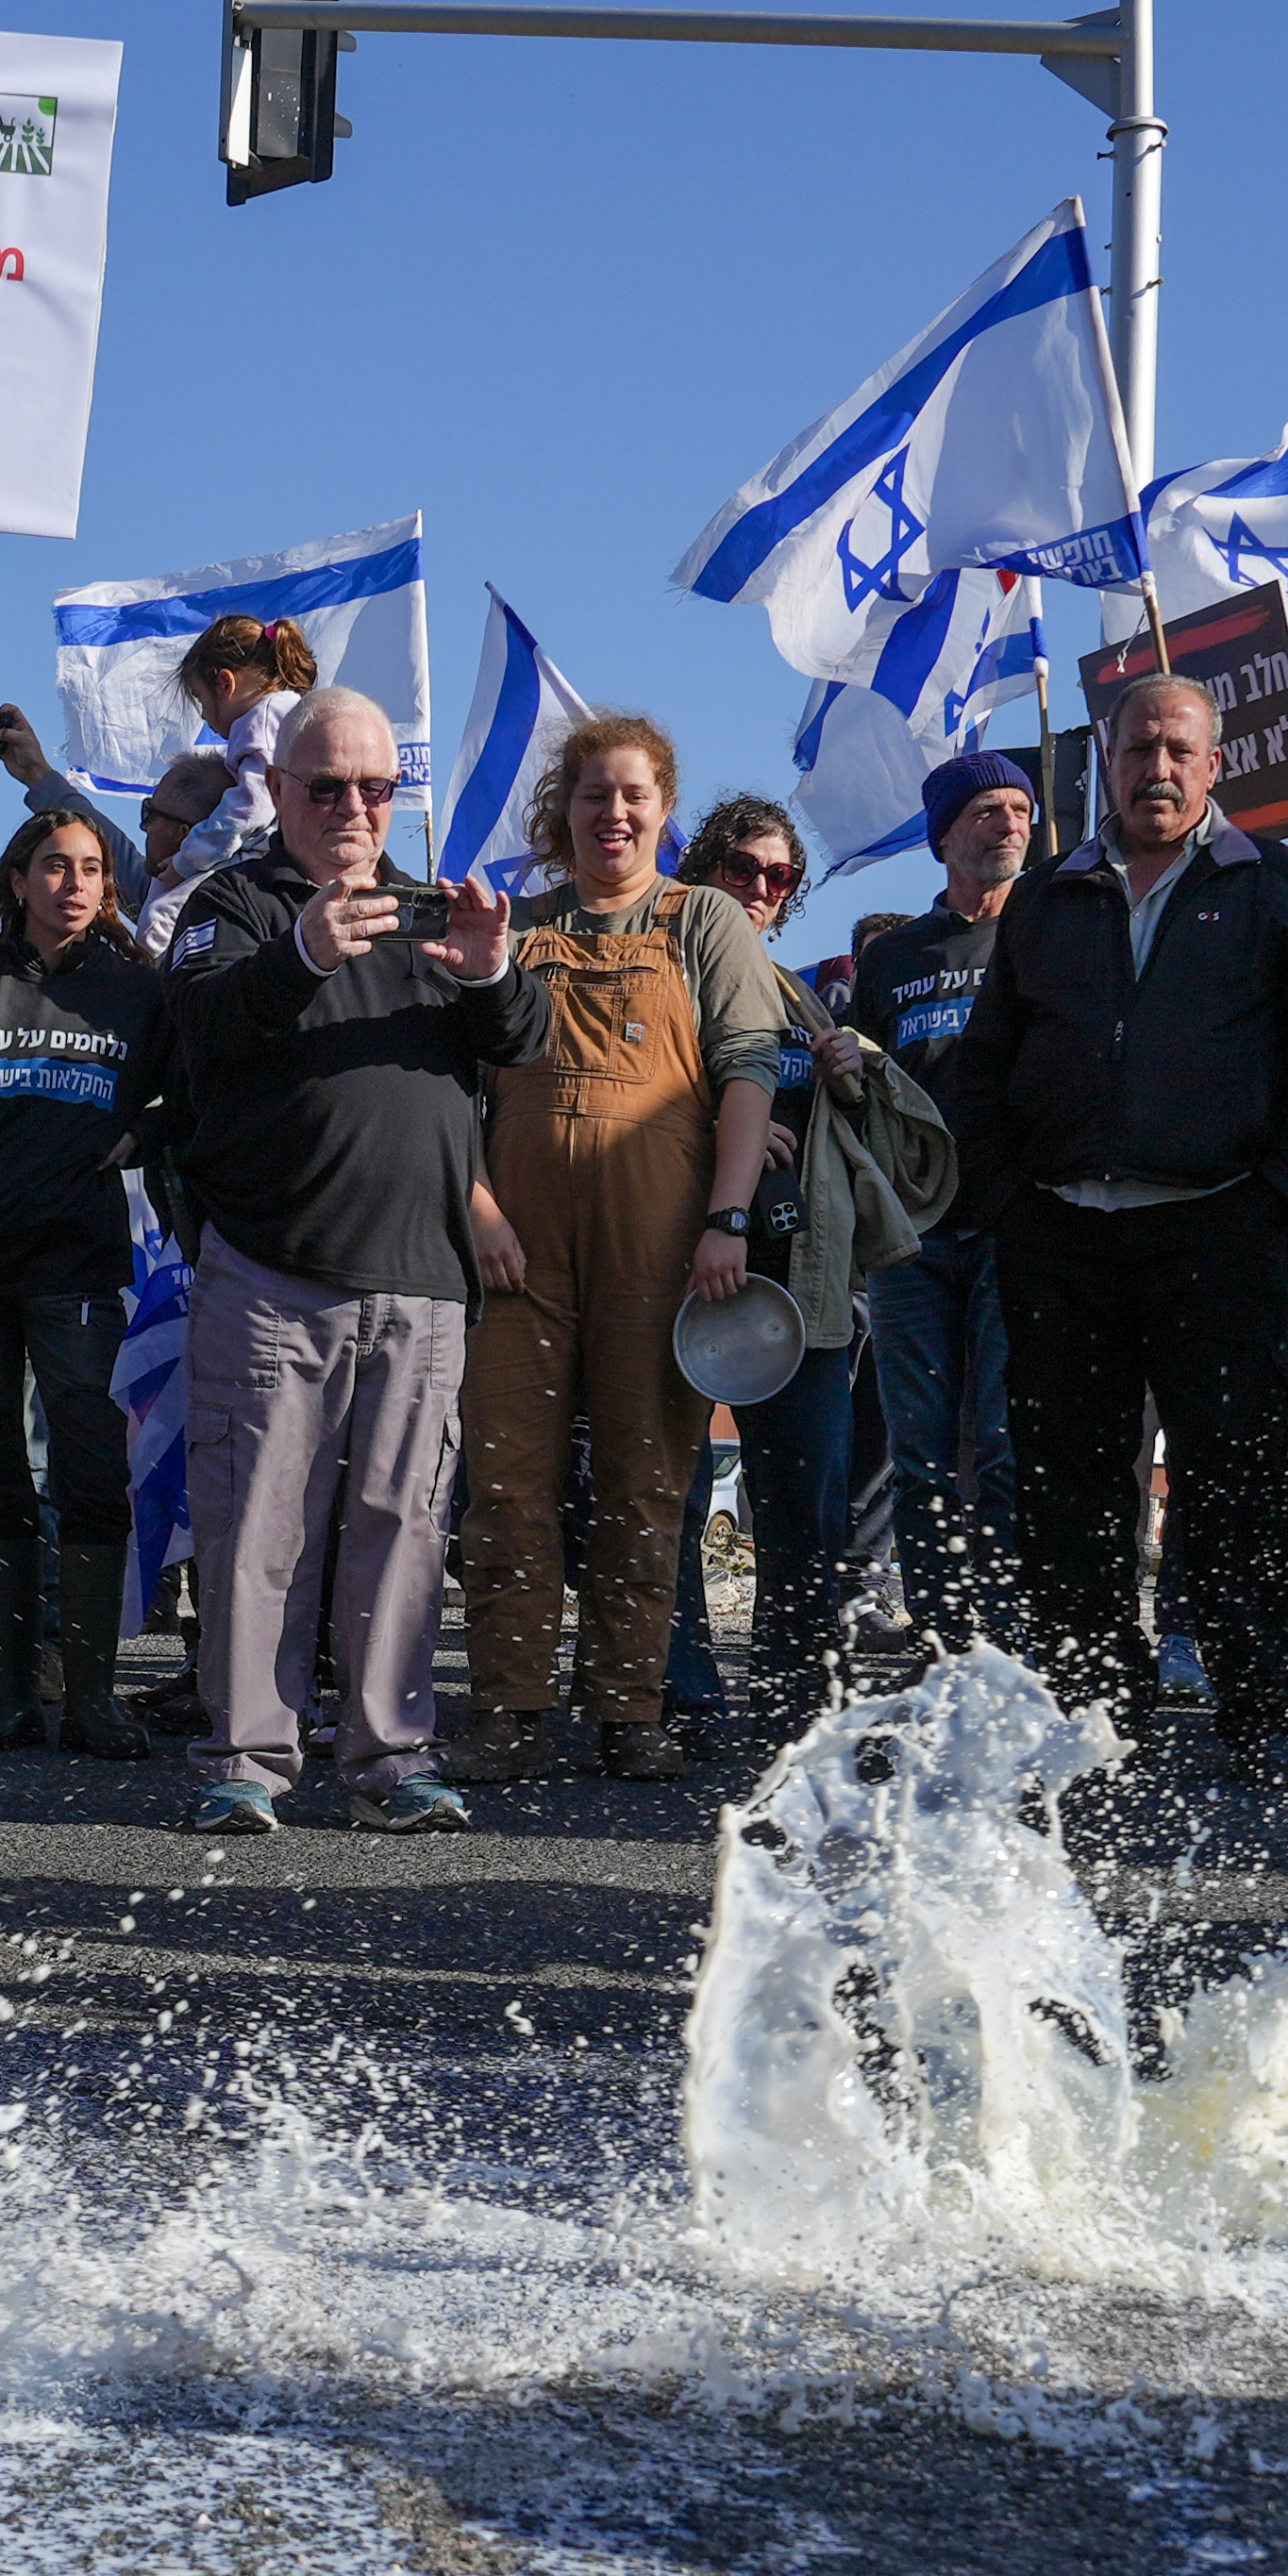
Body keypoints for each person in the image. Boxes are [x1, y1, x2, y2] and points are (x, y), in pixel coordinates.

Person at [948, 674, 1288, 1765]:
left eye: (1180, 749)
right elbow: (988, 1063)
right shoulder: (1049, 896)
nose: (1158, 769)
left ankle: (1260, 1706)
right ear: (1109, 757)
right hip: (1059, 1235)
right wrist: (1001, 1197)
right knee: (1068, 1486)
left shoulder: (1271, 885)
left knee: (1235, 1481)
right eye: (1139, 748)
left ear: (1213, 764)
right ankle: (1092, 1712)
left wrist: (1276, 1197)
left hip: (1215, 1230)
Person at [165, 685, 540, 1833]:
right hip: (277, 1267)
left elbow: (517, 1041)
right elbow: (194, 1027)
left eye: (376, 787)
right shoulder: (227, 905)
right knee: (257, 1533)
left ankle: (390, 1756)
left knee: (403, 1529)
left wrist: (489, 973)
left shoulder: (431, 907)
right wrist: (299, 953)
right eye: (325, 785)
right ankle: (248, 1757)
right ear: (275, 790)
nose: (353, 807)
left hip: (420, 1277)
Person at [440, 722, 790, 1785]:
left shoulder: (706, 921)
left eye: (634, 795)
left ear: (663, 806)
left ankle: (630, 1705)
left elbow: (746, 1071)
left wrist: (726, 1219)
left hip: (665, 1249)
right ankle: (506, 1705)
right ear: (565, 810)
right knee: (506, 1481)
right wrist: (480, 1209)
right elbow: (445, 1093)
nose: (614, 814)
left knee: (647, 1483)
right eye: (594, 795)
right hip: (516, 1252)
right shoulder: (515, 927)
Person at [661, 795, 944, 1718]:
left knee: (807, 1501)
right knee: (671, 1486)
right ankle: (682, 1684)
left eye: (777, 877)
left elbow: (893, 1156)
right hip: (671, 1263)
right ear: (704, 870)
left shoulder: (799, 998)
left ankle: (798, 1706)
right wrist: (716, 1133)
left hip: (798, 1277)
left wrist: (850, 1086)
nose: (757, 889)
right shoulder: (655, 972)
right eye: (740, 868)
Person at [0, 806, 168, 1762]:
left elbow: (190, 1093)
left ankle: (93, 1698)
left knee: (90, 1475)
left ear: (107, 888)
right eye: (54, 866)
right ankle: (8, 1696)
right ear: (18, 878)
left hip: (77, 1265)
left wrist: (142, 1134)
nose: (73, 883)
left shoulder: (137, 993)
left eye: (90, 869)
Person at [849, 754, 1033, 1649]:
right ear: (944, 836)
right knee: (920, 1455)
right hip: (913, 1241)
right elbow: (863, 1101)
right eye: (987, 811)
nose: (1008, 822)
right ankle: (941, 1633)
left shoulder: (1053, 933)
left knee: (1003, 1448)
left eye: (1019, 809)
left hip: (1019, 1229)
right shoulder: (891, 958)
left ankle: (1000, 1636)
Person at [135, 615, 315, 953]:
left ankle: (161, 981)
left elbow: (251, 809)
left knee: (161, 916)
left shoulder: (258, 721)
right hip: (286, 853)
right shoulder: (290, 711)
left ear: (224, 683)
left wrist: (185, 860)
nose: (203, 715)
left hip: (262, 852)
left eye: (200, 698)